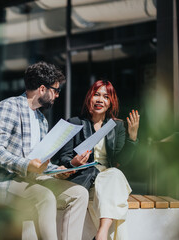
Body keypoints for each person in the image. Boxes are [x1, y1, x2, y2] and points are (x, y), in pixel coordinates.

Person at [0, 62, 89, 240]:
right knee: (44, 196)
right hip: (3, 180)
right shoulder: (9, 107)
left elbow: (38, 159)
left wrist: (56, 170)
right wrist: (27, 165)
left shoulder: (41, 120)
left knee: (79, 194)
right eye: (56, 90)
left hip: (29, 180)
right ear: (43, 89)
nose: (58, 95)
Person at [52, 80, 140, 240]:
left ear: (111, 102)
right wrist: (75, 162)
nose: (100, 100)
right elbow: (64, 157)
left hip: (108, 179)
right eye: (96, 95)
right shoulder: (75, 123)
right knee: (113, 177)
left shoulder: (117, 126)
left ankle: (101, 233)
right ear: (89, 98)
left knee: (114, 173)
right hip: (84, 178)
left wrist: (132, 139)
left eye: (106, 97)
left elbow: (121, 161)